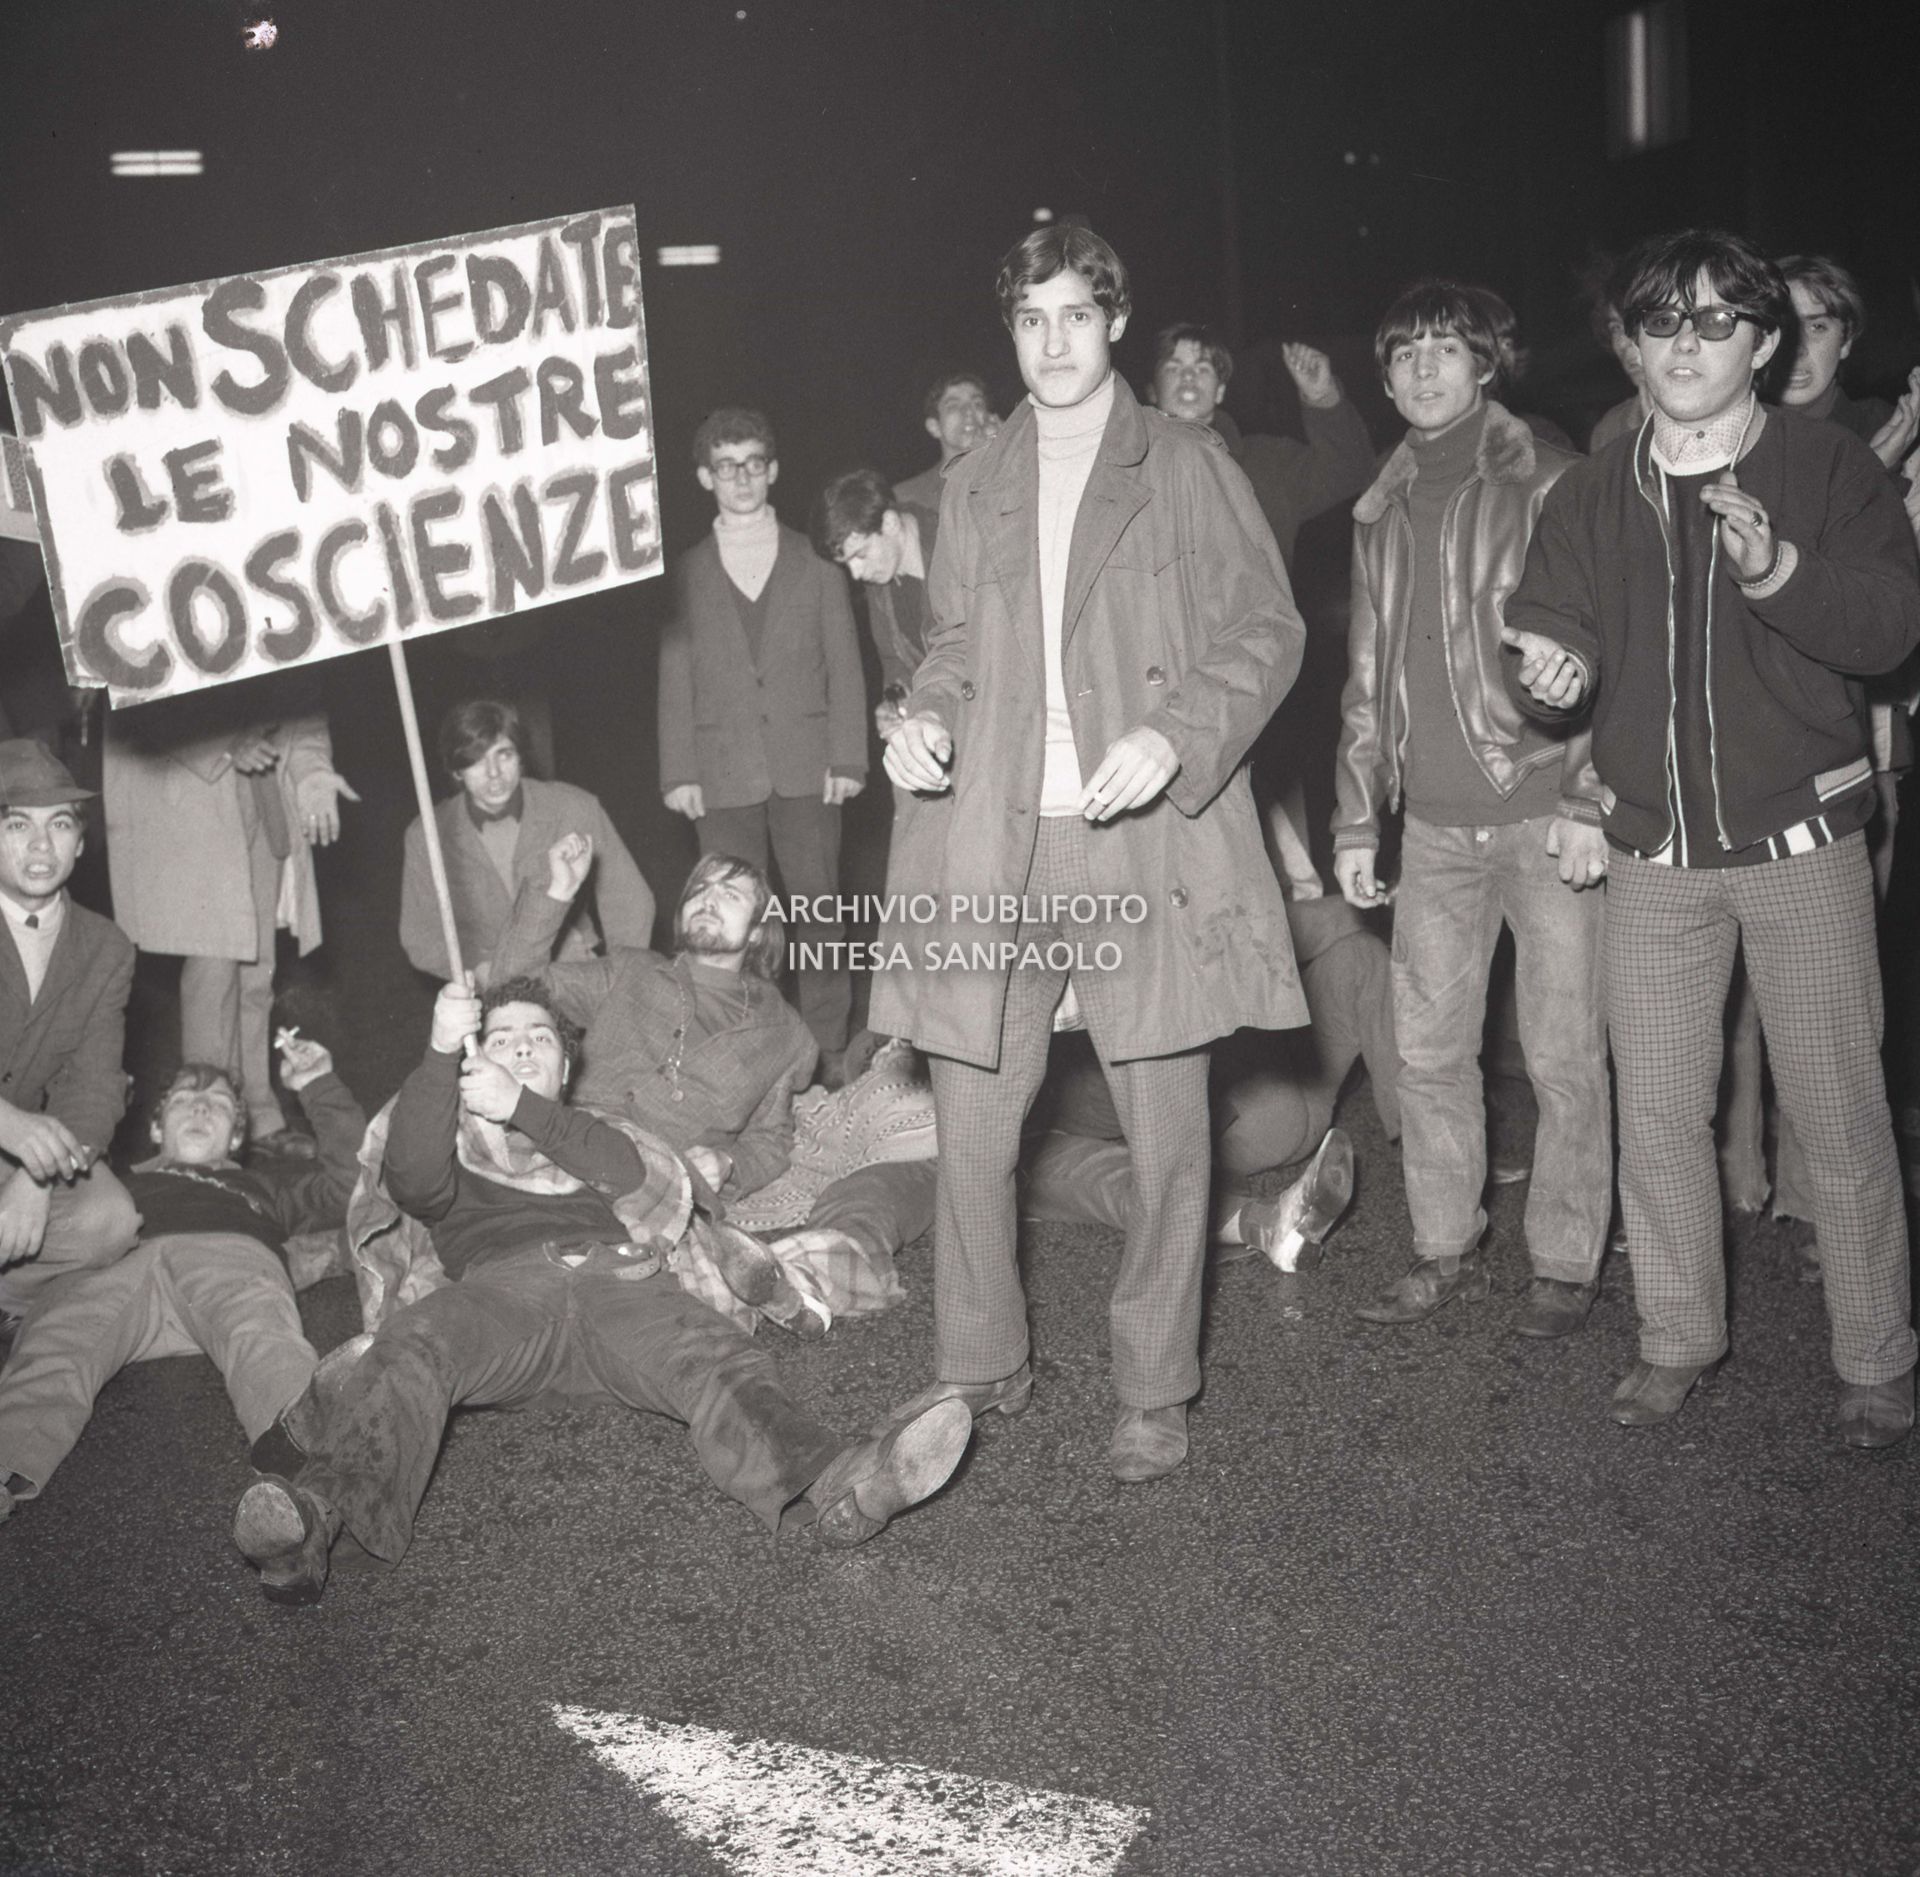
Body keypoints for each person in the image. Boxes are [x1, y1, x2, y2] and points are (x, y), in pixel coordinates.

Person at [874, 224, 1307, 1482]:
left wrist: (1177, 735)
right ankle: (979, 1357)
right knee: (972, 1118)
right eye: (1029, 320)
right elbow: (951, 644)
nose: (1052, 342)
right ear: (1007, 331)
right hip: (999, 839)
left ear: (1114, 320)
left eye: (1075, 315)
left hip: (1140, 842)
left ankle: (1154, 1382)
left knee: (1167, 1129)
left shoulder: (1181, 462)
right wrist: (925, 721)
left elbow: (1268, 628)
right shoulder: (979, 477)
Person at [1502, 227, 1920, 1446]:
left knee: (1839, 1112)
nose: (1689, 344)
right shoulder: (1591, 486)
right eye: (1663, 323)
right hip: (1654, 863)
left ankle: (1877, 1353)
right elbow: (1552, 636)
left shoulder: (1830, 467)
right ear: (1630, 345)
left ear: (1764, 341)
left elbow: (1891, 626)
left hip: (1801, 849)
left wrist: (1780, 567)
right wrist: (1550, 670)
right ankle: (1676, 1337)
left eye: (1717, 321)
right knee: (1660, 1114)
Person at [230, 977, 972, 1603]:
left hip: (621, 1280)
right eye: (502, 1034)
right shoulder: (446, 1130)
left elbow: (631, 1175)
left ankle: (845, 1486)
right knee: (409, 1346)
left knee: (720, 1360)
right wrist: (436, 1049)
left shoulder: (590, 1126)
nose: (523, 1042)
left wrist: (523, 1105)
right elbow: (412, 1178)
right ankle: (316, 1521)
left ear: (563, 1067)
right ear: (472, 1058)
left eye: (541, 1037)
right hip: (504, 1293)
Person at [1333, 280, 1609, 1338]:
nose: (1423, 370)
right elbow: (1366, 677)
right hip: (1433, 829)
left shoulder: (1552, 480)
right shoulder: (1381, 507)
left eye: (1445, 349)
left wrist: (1586, 791)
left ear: (1489, 362)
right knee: (1429, 1052)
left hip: (1543, 811)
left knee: (1561, 1053)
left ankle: (1567, 1257)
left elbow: (1611, 647)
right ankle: (1441, 1242)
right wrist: (1360, 819)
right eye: (1402, 354)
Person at [0, 1037, 364, 1521]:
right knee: (54, 1346)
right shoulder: (108, 1184)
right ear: (155, 1125)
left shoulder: (264, 1185)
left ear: (236, 1137)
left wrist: (318, 1084)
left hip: (228, 1255)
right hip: (117, 1265)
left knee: (265, 1338)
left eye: (218, 1103)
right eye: (184, 1099)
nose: (199, 1108)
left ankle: (312, 1490)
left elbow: (351, 1182)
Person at [657, 408, 867, 1071]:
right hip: (719, 773)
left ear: (772, 470)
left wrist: (850, 754)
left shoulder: (816, 559)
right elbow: (674, 674)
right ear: (704, 477)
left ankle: (829, 1049)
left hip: (810, 767)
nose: (742, 477)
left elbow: (845, 662)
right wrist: (678, 771)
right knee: (731, 922)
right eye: (727, 466)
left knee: (818, 909)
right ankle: (752, 1052)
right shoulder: (687, 570)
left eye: (754, 463)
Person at [103, 678, 359, 1159]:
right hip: (191, 798)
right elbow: (137, 700)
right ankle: (202, 1130)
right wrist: (223, 742)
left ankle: (257, 1114)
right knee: (214, 964)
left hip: (262, 797)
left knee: (256, 967)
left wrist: (313, 772)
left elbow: (302, 699)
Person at [0, 741, 140, 1317]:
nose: (40, 845)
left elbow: (93, 1086)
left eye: (58, 824)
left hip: (27, 1158)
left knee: (110, 1221)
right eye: (16, 825)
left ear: (80, 842)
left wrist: (37, 1178)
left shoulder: (106, 947)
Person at [399, 698, 655, 984]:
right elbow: (419, 935)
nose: (494, 772)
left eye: (504, 754)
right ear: (457, 770)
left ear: (521, 757)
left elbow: (629, 900)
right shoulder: (428, 835)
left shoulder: (573, 807)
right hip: (489, 982)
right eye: (476, 760)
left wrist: (625, 976)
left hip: (570, 969)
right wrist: (475, 970)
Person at [1145, 322, 1374, 572]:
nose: (1189, 376)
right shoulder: (1125, 470)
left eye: (1202, 368)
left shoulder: (1269, 463)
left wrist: (1323, 397)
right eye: (1174, 368)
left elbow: (1350, 469)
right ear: (1153, 390)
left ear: (1220, 391)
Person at [811, 469, 940, 740]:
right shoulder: (880, 583)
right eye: (847, 563)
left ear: (890, 523)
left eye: (861, 555)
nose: (856, 574)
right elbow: (895, 661)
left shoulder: (954, 546)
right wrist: (896, 703)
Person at [895, 372, 997, 512]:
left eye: (977, 404)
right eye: (953, 406)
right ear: (934, 427)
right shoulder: (908, 497)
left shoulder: (1007, 477)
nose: (968, 411)